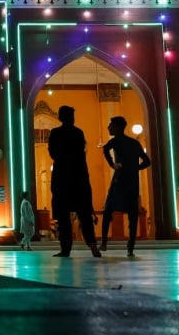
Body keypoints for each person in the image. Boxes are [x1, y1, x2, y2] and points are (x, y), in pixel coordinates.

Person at [47, 105, 101, 258]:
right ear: (72, 117)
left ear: (60, 117)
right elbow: (82, 154)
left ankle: (66, 250)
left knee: (64, 218)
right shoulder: (78, 133)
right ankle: (92, 246)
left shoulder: (55, 133)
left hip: (62, 178)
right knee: (84, 214)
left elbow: (52, 153)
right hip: (79, 177)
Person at [99, 115, 152, 257]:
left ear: (117, 127)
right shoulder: (134, 143)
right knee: (132, 215)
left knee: (108, 210)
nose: (108, 127)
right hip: (132, 182)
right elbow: (147, 161)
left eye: (111, 125)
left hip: (119, 180)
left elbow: (105, 149)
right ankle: (130, 248)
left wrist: (113, 165)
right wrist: (135, 168)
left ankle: (103, 243)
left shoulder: (115, 141)